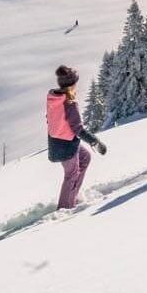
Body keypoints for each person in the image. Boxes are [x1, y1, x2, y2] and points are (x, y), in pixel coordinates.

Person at [46, 65, 107, 209]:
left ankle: (71, 197)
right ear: (72, 84)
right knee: (71, 174)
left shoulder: (53, 97)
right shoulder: (69, 103)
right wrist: (96, 142)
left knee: (85, 158)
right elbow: (78, 129)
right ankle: (65, 208)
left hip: (60, 142)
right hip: (65, 146)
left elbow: (50, 118)